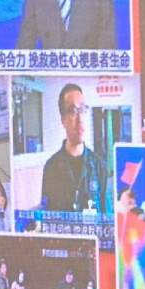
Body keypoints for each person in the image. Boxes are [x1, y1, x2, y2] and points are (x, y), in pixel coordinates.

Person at [39, 81, 102, 221]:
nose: (80, 119)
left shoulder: (99, 166)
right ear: (63, 119)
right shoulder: (51, 167)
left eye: (83, 109)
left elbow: (106, 218)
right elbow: (46, 217)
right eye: (73, 111)